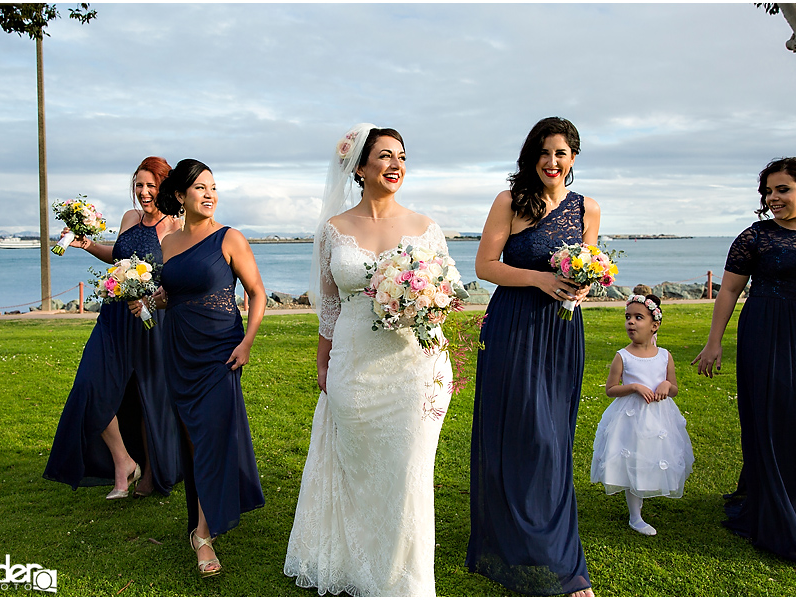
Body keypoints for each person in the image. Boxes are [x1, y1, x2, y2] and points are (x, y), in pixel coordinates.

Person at [284, 124, 452, 596]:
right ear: (359, 167)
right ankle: (360, 567)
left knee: (410, 472)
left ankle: (408, 581)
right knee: (362, 469)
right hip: (354, 365)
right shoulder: (334, 231)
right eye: (384, 156)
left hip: (417, 367)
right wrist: (324, 363)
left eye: (401, 156)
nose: (395, 164)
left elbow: (447, 294)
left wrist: (424, 301)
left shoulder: (426, 228)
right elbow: (331, 305)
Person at [692, 157, 796, 569]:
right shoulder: (755, 237)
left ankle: (791, 501)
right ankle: (782, 523)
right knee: (781, 421)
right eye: (768, 191)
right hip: (766, 330)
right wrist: (714, 343)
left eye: (781, 189)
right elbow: (729, 291)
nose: (772, 199)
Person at [467, 117, 600, 596]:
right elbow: (485, 266)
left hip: (561, 331)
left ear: (573, 158)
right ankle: (512, 536)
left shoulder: (589, 209)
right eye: (544, 153)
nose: (552, 161)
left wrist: (583, 288)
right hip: (513, 327)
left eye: (561, 153)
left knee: (553, 437)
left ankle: (555, 546)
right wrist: (542, 279)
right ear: (532, 156)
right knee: (521, 431)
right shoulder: (509, 201)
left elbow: (589, 266)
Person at [44, 157, 183, 500]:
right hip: (113, 315)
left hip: (151, 320)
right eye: (139, 185)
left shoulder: (176, 227)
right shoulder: (128, 218)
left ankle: (152, 472)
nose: (144, 192)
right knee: (90, 384)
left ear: (165, 187)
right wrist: (88, 245)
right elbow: (118, 257)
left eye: (152, 185)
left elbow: (179, 276)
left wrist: (152, 299)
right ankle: (123, 460)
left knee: (149, 397)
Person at [152, 159, 266, 577]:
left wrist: (247, 342)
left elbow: (256, 293)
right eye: (199, 187)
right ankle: (204, 516)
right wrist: (151, 301)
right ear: (181, 195)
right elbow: (172, 294)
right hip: (179, 349)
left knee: (215, 435)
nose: (209, 194)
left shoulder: (229, 237)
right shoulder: (167, 243)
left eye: (213, 187)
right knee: (196, 440)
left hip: (221, 351)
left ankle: (202, 535)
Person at [590, 294, 694, 536]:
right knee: (633, 460)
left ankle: (644, 496)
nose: (631, 323)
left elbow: (674, 387)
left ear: (654, 325)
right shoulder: (623, 356)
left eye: (639, 318)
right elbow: (611, 389)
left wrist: (667, 386)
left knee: (652, 457)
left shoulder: (664, 355)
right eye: (628, 318)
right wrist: (634, 387)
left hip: (659, 419)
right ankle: (635, 516)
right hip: (630, 418)